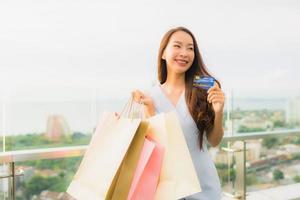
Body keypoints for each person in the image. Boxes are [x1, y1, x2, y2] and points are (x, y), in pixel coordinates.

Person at [132, 26, 225, 200]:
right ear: (163, 53)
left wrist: (218, 112)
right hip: (166, 190)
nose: (184, 53)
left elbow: (214, 141)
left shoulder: (203, 90)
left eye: (190, 48)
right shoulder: (148, 97)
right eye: (177, 46)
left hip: (203, 187)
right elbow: (152, 148)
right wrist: (149, 112)